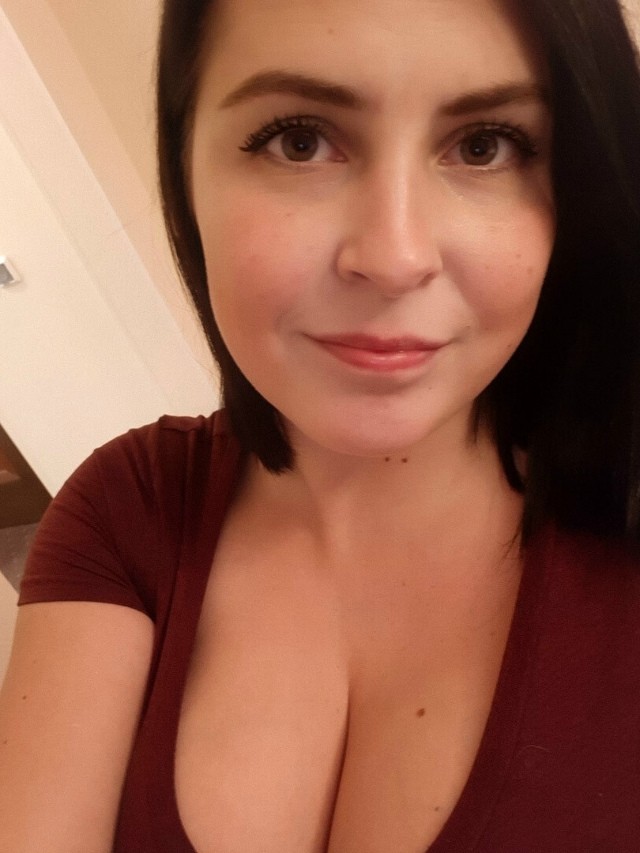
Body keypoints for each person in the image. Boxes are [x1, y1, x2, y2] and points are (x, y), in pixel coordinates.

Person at [2, 0, 640, 849]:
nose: (396, 256)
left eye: (486, 144)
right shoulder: (127, 507)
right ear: (184, 169)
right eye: (299, 140)